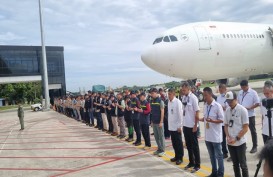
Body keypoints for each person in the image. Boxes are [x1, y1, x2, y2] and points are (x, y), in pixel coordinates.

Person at [224, 91, 249, 177]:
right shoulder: (227, 110)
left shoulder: (242, 110)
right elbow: (226, 125)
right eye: (227, 101)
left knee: (243, 165)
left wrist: (236, 138)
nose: (229, 103)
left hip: (240, 142)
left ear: (236, 99)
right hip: (230, 142)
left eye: (231, 101)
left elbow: (246, 128)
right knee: (235, 164)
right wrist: (227, 136)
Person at [201, 87, 224, 177]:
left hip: (215, 136)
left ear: (210, 94)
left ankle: (220, 174)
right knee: (211, 156)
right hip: (208, 136)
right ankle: (214, 172)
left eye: (205, 95)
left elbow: (222, 120)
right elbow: (206, 118)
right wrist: (201, 119)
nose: (204, 97)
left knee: (219, 156)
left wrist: (212, 121)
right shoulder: (206, 105)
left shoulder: (217, 106)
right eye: (203, 95)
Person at [181, 82, 201, 173]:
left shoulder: (193, 98)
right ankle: (191, 162)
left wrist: (195, 125)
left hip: (192, 125)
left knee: (195, 146)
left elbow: (197, 112)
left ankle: (197, 164)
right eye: (182, 89)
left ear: (188, 89)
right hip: (185, 125)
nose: (183, 91)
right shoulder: (184, 97)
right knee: (188, 145)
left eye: (184, 90)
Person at [238, 80, 260, 153]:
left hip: (250, 115)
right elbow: (238, 101)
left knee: (253, 131)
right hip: (241, 115)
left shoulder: (253, 92)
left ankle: (255, 146)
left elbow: (257, 103)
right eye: (242, 87)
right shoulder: (240, 92)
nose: (243, 89)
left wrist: (250, 107)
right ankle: (243, 145)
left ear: (247, 85)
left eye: (244, 87)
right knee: (241, 130)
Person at [168, 88, 184, 165]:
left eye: (170, 94)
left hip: (177, 126)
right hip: (171, 126)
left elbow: (180, 115)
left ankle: (180, 157)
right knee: (174, 143)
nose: (168, 96)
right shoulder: (169, 102)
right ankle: (176, 156)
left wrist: (179, 125)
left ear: (174, 94)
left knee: (179, 143)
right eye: (168, 94)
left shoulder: (178, 102)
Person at [150, 88, 166, 157]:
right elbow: (152, 112)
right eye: (151, 93)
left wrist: (161, 121)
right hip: (154, 121)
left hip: (159, 122)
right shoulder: (152, 101)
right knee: (156, 136)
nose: (152, 95)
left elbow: (162, 111)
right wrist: (151, 121)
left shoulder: (160, 101)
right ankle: (159, 149)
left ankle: (163, 150)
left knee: (161, 136)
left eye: (153, 93)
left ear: (156, 93)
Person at [216, 84, 230, 160]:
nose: (220, 91)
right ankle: (224, 152)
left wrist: (224, 107)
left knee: (229, 136)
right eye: (219, 90)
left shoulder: (228, 96)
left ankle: (231, 153)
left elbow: (230, 106)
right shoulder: (218, 97)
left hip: (227, 120)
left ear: (225, 89)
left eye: (222, 90)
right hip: (221, 121)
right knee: (222, 138)